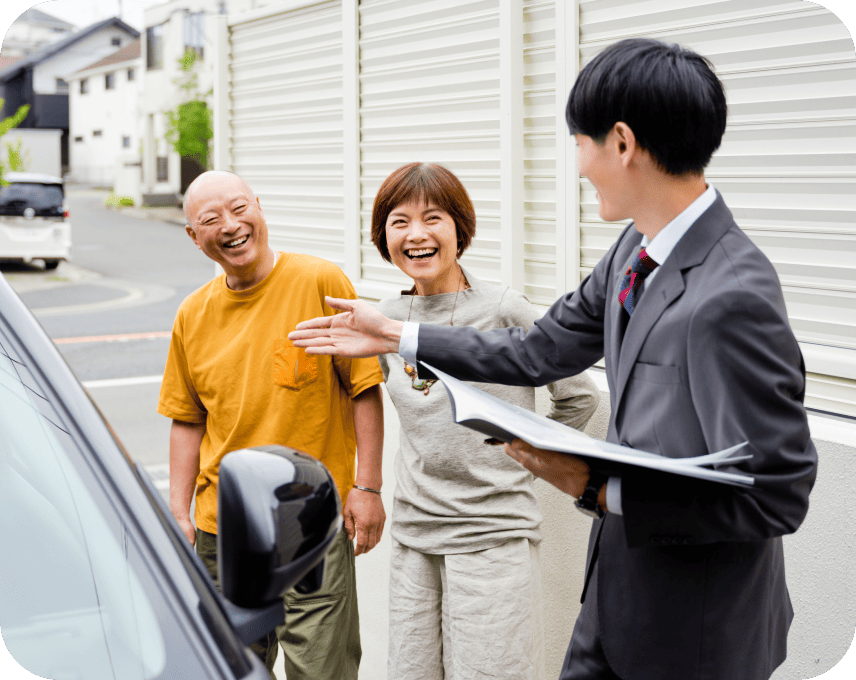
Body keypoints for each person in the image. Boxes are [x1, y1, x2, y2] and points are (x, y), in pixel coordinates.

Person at [289, 38, 818, 680]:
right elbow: (540, 348)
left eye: (579, 143)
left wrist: (598, 485)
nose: (578, 165)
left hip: (692, 633)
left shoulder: (732, 294)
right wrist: (398, 335)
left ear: (621, 143)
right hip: (613, 604)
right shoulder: (635, 250)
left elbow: (777, 497)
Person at [369, 162, 599, 680]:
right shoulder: (386, 319)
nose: (417, 234)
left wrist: (528, 455)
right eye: (399, 221)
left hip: (493, 535)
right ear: (383, 236)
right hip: (414, 537)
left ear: (459, 227)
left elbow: (577, 396)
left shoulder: (502, 308)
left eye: (433, 218)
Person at [157, 170, 385, 680]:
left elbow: (363, 389)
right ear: (195, 237)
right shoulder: (192, 314)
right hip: (223, 526)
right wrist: (179, 512)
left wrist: (367, 486)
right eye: (211, 219)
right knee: (232, 667)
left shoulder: (319, 282)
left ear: (258, 207)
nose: (231, 225)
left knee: (321, 669)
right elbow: (187, 420)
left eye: (240, 208)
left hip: (310, 522)